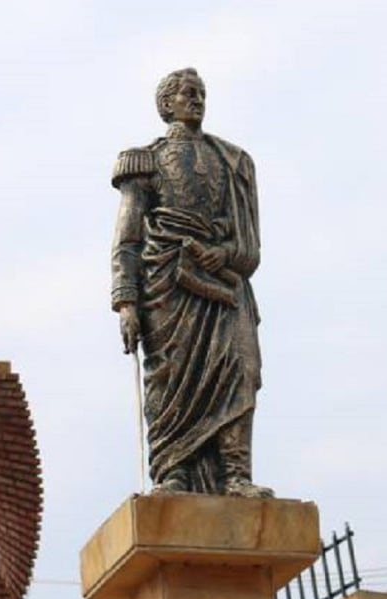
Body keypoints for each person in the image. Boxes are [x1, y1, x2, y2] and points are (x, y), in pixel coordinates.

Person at [111, 68, 273, 498]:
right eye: (186, 93)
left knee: (241, 368)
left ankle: (235, 473)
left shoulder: (233, 160)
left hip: (224, 282)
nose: (196, 99)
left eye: (201, 93)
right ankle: (173, 470)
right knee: (170, 374)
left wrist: (223, 255)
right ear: (166, 105)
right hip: (167, 282)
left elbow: (249, 245)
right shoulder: (143, 159)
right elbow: (127, 238)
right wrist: (125, 300)